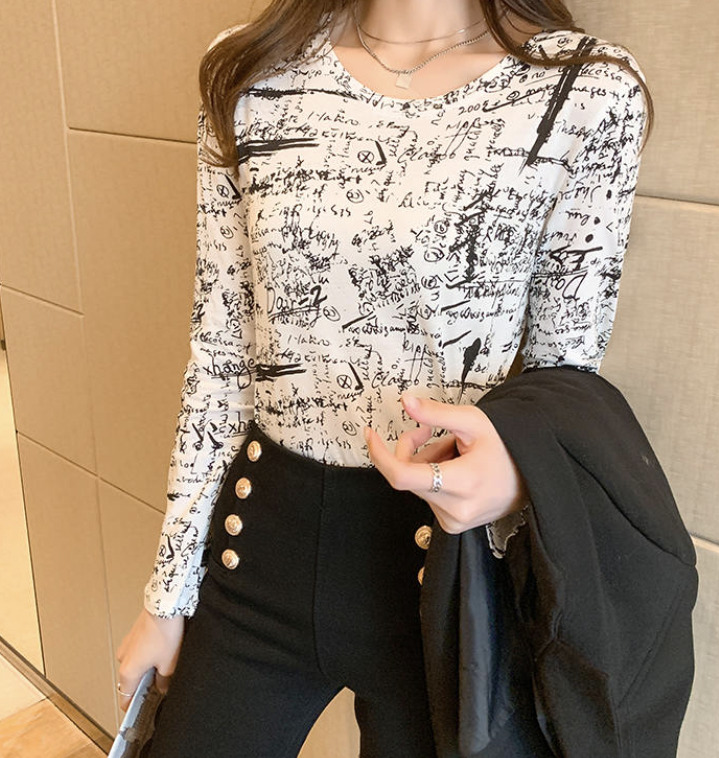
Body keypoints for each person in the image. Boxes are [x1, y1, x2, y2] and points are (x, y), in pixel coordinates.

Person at [115, 0, 651, 755]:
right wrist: (167, 598)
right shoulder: (251, 72)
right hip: (259, 547)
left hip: (448, 586)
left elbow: (562, 383)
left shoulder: (586, 90)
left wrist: (513, 477)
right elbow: (220, 355)